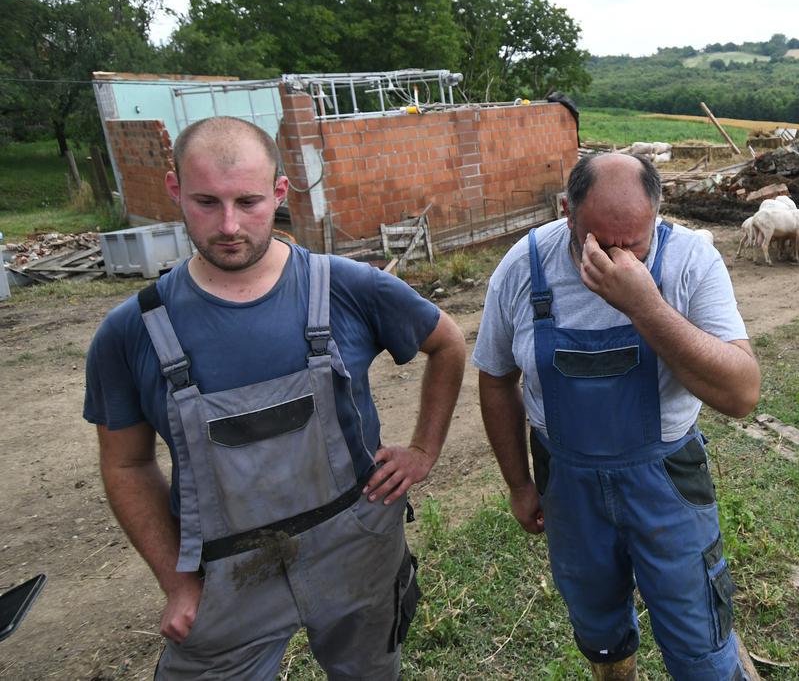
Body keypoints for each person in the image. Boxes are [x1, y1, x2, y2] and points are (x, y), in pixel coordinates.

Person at [83, 116, 465, 679]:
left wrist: (424, 450)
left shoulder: (348, 287)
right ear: (174, 190)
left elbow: (449, 343)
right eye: (206, 202)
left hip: (356, 547)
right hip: (226, 576)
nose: (229, 225)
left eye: (250, 201)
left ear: (281, 192)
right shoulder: (130, 333)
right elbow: (126, 462)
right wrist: (177, 581)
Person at [474, 152, 761, 680]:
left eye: (635, 243)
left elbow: (742, 393)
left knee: (698, 635)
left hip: (666, 484)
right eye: (602, 243)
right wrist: (518, 483)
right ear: (567, 212)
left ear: (657, 212)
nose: (619, 257)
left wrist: (645, 307)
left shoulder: (690, 260)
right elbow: (494, 378)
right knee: (600, 633)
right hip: (568, 484)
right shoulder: (523, 266)